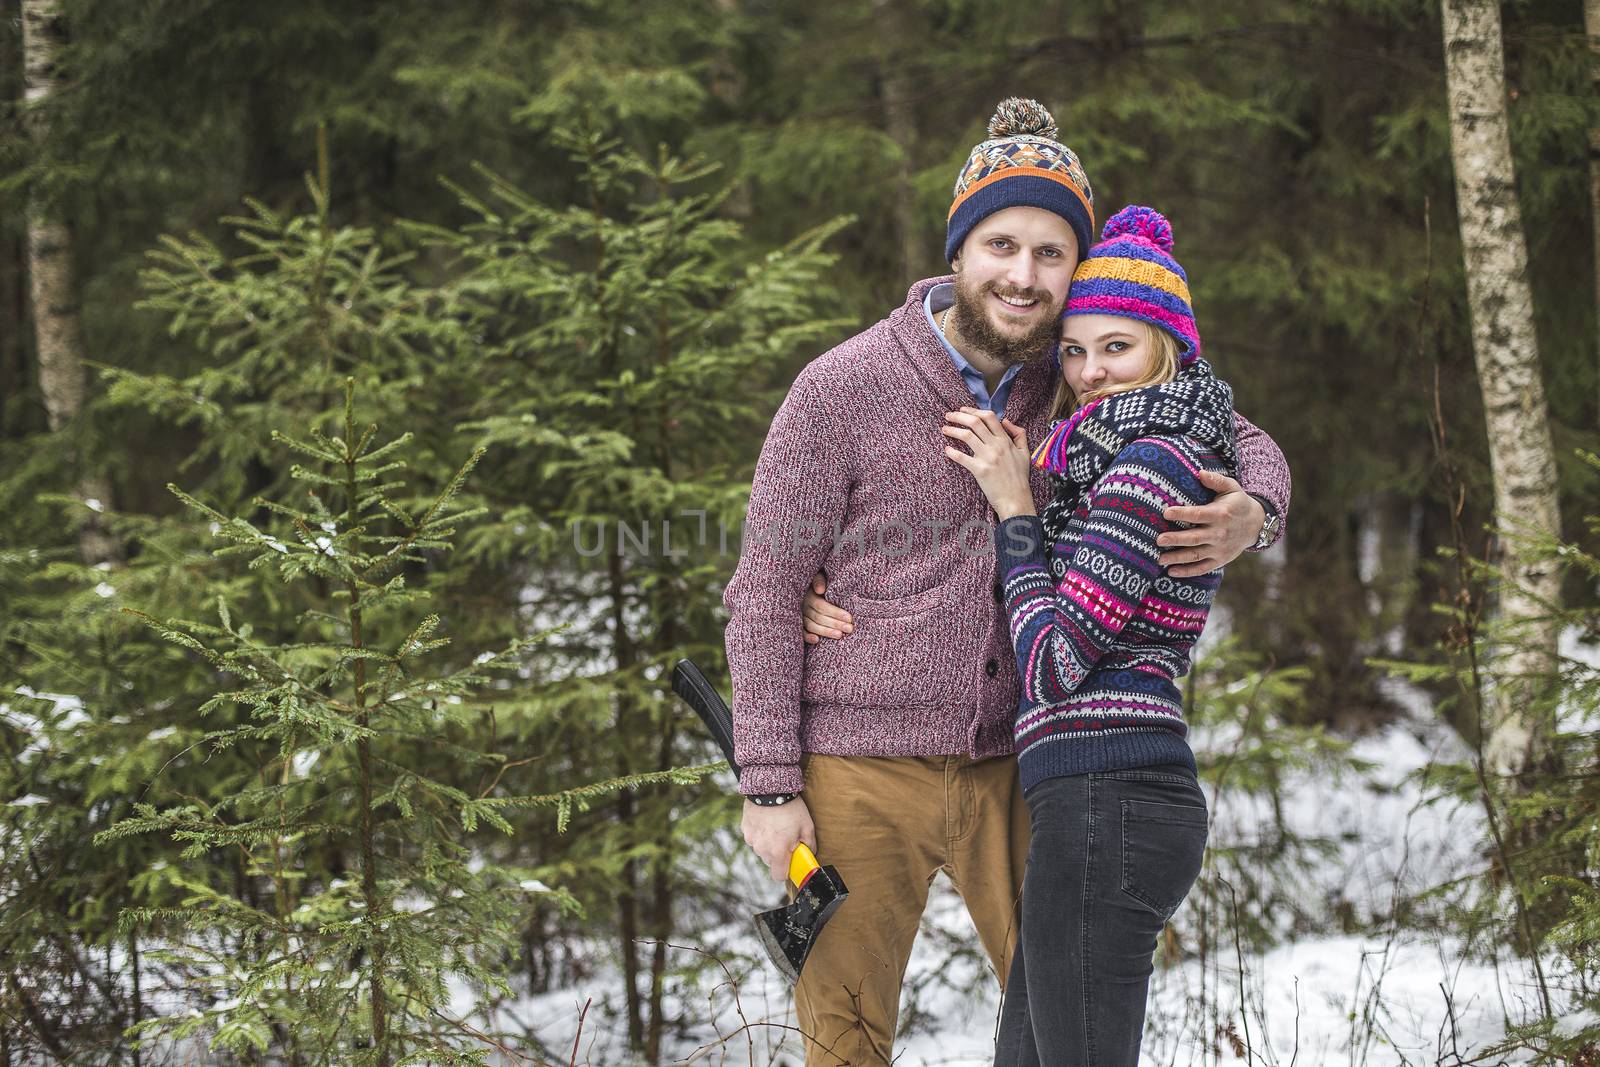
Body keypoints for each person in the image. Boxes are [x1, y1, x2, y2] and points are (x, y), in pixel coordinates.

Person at [722, 98, 1290, 1067]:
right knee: (845, 1038)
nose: (1022, 275)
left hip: (1027, 766)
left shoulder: (1076, 372)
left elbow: (1228, 426)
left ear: (1080, 269)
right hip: (859, 765)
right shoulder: (842, 386)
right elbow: (766, 588)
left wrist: (1255, 509)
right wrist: (769, 783)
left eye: (1050, 252)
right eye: (1000, 243)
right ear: (959, 248)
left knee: (1055, 1026)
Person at [942, 204, 1236, 1065]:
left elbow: (1052, 657)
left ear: (1167, 348)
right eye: (1075, 349)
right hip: (1088, 801)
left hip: (1116, 797)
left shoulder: (1150, 461)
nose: (1090, 370)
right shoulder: (1104, 453)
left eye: (1118, 347)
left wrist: (1014, 508)